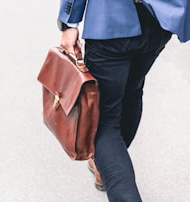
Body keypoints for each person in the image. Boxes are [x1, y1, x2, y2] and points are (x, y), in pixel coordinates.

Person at [58, 0, 189, 201]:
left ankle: (110, 166)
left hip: (110, 22)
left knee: (103, 120)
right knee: (132, 92)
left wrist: (69, 22)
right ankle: (106, 164)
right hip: (158, 22)